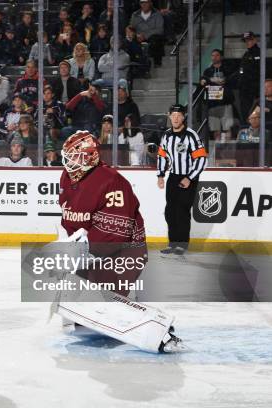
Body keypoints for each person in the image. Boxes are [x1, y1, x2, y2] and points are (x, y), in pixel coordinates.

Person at [55, 130, 183, 353]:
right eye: (67, 157)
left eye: (74, 158)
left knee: (102, 300)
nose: (69, 163)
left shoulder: (112, 182)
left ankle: (158, 331)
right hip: (90, 250)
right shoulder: (68, 177)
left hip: (124, 251)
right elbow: (69, 219)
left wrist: (81, 254)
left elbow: (115, 235)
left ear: (90, 158)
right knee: (80, 305)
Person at [156, 104, 207, 255]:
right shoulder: (166, 135)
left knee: (182, 211)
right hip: (173, 176)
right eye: (173, 115)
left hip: (188, 178)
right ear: (169, 116)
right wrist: (160, 175)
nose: (176, 118)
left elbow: (201, 159)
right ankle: (172, 243)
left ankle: (182, 245)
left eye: (179, 115)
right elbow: (162, 156)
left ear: (184, 117)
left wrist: (189, 178)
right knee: (170, 211)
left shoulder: (191, 135)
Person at [201, 49, 234, 141]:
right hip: (213, 104)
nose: (214, 57)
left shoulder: (227, 69)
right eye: (212, 55)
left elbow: (232, 82)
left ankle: (228, 149)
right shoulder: (207, 71)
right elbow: (203, 82)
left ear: (221, 57)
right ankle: (217, 151)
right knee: (215, 130)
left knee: (227, 128)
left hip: (225, 103)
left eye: (217, 55)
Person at [130, 0, 165, 67]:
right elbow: (131, 28)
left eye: (146, 2)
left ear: (150, 3)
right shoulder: (135, 15)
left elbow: (160, 29)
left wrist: (145, 36)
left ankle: (157, 63)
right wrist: (136, 35)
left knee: (156, 39)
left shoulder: (157, 14)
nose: (144, 4)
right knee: (129, 40)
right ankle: (135, 64)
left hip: (152, 37)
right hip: (138, 37)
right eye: (142, 2)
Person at [238, 31, 261, 124]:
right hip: (245, 90)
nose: (247, 42)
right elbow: (240, 71)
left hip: (254, 90)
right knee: (245, 113)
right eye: (246, 41)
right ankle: (246, 131)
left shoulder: (259, 53)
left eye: (249, 40)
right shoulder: (246, 54)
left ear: (255, 40)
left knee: (253, 114)